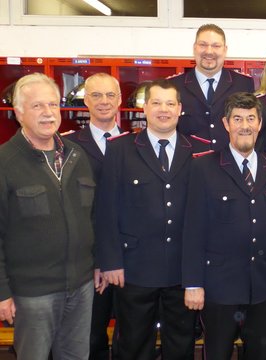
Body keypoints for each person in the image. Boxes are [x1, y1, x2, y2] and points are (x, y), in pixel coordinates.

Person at [96, 79, 204, 360]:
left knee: (180, 344)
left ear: (180, 109)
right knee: (132, 343)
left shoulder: (200, 151)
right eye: (156, 103)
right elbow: (106, 209)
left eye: (170, 103)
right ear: (144, 108)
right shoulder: (120, 149)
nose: (163, 110)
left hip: (182, 270)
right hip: (134, 268)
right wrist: (111, 261)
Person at [0, 73, 95, 359]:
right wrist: (2, 291)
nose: (48, 113)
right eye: (38, 106)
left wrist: (97, 263)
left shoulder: (76, 155)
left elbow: (91, 217)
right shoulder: (5, 162)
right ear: (18, 112)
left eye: (53, 105)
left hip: (81, 286)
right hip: (33, 293)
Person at [182, 92, 266, 360]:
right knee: (217, 353)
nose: (245, 125)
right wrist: (193, 283)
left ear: (260, 123)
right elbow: (193, 229)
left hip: (261, 285)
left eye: (251, 118)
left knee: (259, 353)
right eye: (237, 119)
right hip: (219, 286)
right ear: (226, 124)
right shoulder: (203, 167)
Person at [65, 72, 126, 360]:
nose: (104, 102)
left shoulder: (136, 145)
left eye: (110, 95)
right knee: (91, 337)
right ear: (85, 100)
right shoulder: (67, 147)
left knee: (133, 336)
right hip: (88, 261)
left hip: (130, 260)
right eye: (96, 95)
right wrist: (98, 259)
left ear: (120, 100)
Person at [171, 23, 254, 151]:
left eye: (216, 46)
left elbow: (251, 129)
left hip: (230, 166)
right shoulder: (174, 86)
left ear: (225, 50)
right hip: (189, 167)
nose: (209, 51)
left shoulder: (243, 84)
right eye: (203, 45)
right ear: (194, 48)